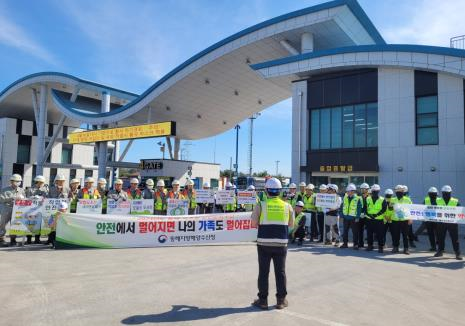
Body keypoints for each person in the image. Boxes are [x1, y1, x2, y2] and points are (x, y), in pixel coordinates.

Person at [251, 177, 294, 310]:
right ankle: (281, 301)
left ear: (266, 190)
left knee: (263, 272)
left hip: (264, 244)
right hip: (281, 244)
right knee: (280, 272)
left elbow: (253, 223)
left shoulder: (261, 205)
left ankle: (263, 301)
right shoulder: (287, 206)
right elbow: (291, 225)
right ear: (280, 191)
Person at [435, 185, 462, 260]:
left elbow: (460, 211)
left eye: (447, 193)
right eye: (444, 193)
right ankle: (440, 251)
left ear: (450, 193)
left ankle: (457, 253)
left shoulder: (455, 201)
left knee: (455, 238)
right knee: (440, 237)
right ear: (442, 193)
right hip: (441, 222)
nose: (446, 194)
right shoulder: (438, 200)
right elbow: (433, 209)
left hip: (452, 223)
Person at [0, 174, 26, 246]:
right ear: (11, 181)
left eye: (19, 181)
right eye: (16, 181)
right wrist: (13, 197)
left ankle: (13, 240)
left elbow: (25, 199)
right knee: (3, 224)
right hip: (6, 208)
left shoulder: (21, 190)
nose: (18, 182)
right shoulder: (5, 190)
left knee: (14, 224)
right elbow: (1, 199)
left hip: (17, 209)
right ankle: (1, 238)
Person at [25, 175, 49, 244]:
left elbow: (47, 198)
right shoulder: (30, 189)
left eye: (42, 182)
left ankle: (37, 239)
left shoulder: (45, 190)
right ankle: (28, 239)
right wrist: (32, 197)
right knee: (30, 224)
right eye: (40, 182)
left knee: (38, 224)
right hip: (30, 209)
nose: (41, 184)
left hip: (40, 209)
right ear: (37, 182)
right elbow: (26, 198)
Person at [390, 185, 412, 254]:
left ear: (403, 192)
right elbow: (390, 209)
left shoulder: (407, 199)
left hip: (404, 220)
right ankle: (395, 247)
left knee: (405, 235)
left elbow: (411, 210)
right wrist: (391, 206)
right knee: (395, 235)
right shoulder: (393, 199)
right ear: (395, 192)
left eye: (401, 191)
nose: (399, 193)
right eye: (397, 191)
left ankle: (406, 249)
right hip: (395, 220)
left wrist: (410, 219)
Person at [366, 184, 387, 253]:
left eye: (376, 191)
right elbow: (365, 208)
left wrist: (376, 215)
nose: (375, 192)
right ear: (371, 191)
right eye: (373, 191)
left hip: (379, 219)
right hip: (369, 219)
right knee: (369, 233)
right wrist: (369, 214)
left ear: (379, 191)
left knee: (380, 234)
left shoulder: (382, 199)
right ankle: (370, 245)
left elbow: (384, 209)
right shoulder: (368, 198)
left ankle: (380, 247)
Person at [341, 184, 362, 249]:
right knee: (345, 231)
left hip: (353, 218)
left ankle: (355, 244)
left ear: (353, 191)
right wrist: (342, 215)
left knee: (355, 232)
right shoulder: (345, 198)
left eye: (348, 191)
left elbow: (359, 208)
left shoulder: (358, 198)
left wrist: (357, 217)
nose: (347, 192)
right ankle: (345, 243)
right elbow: (342, 206)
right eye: (347, 191)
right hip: (346, 217)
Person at [423, 187, 439, 252]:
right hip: (429, 220)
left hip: (437, 220)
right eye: (431, 194)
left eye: (433, 194)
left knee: (438, 234)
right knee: (431, 234)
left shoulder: (440, 200)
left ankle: (439, 247)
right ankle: (433, 247)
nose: (432, 195)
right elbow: (422, 208)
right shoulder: (426, 200)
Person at [358, 183, 370, 248]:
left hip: (368, 216)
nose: (363, 190)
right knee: (360, 230)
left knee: (369, 230)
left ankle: (369, 244)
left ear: (367, 189)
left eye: (364, 189)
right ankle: (360, 243)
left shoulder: (370, 197)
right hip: (361, 215)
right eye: (362, 189)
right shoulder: (359, 197)